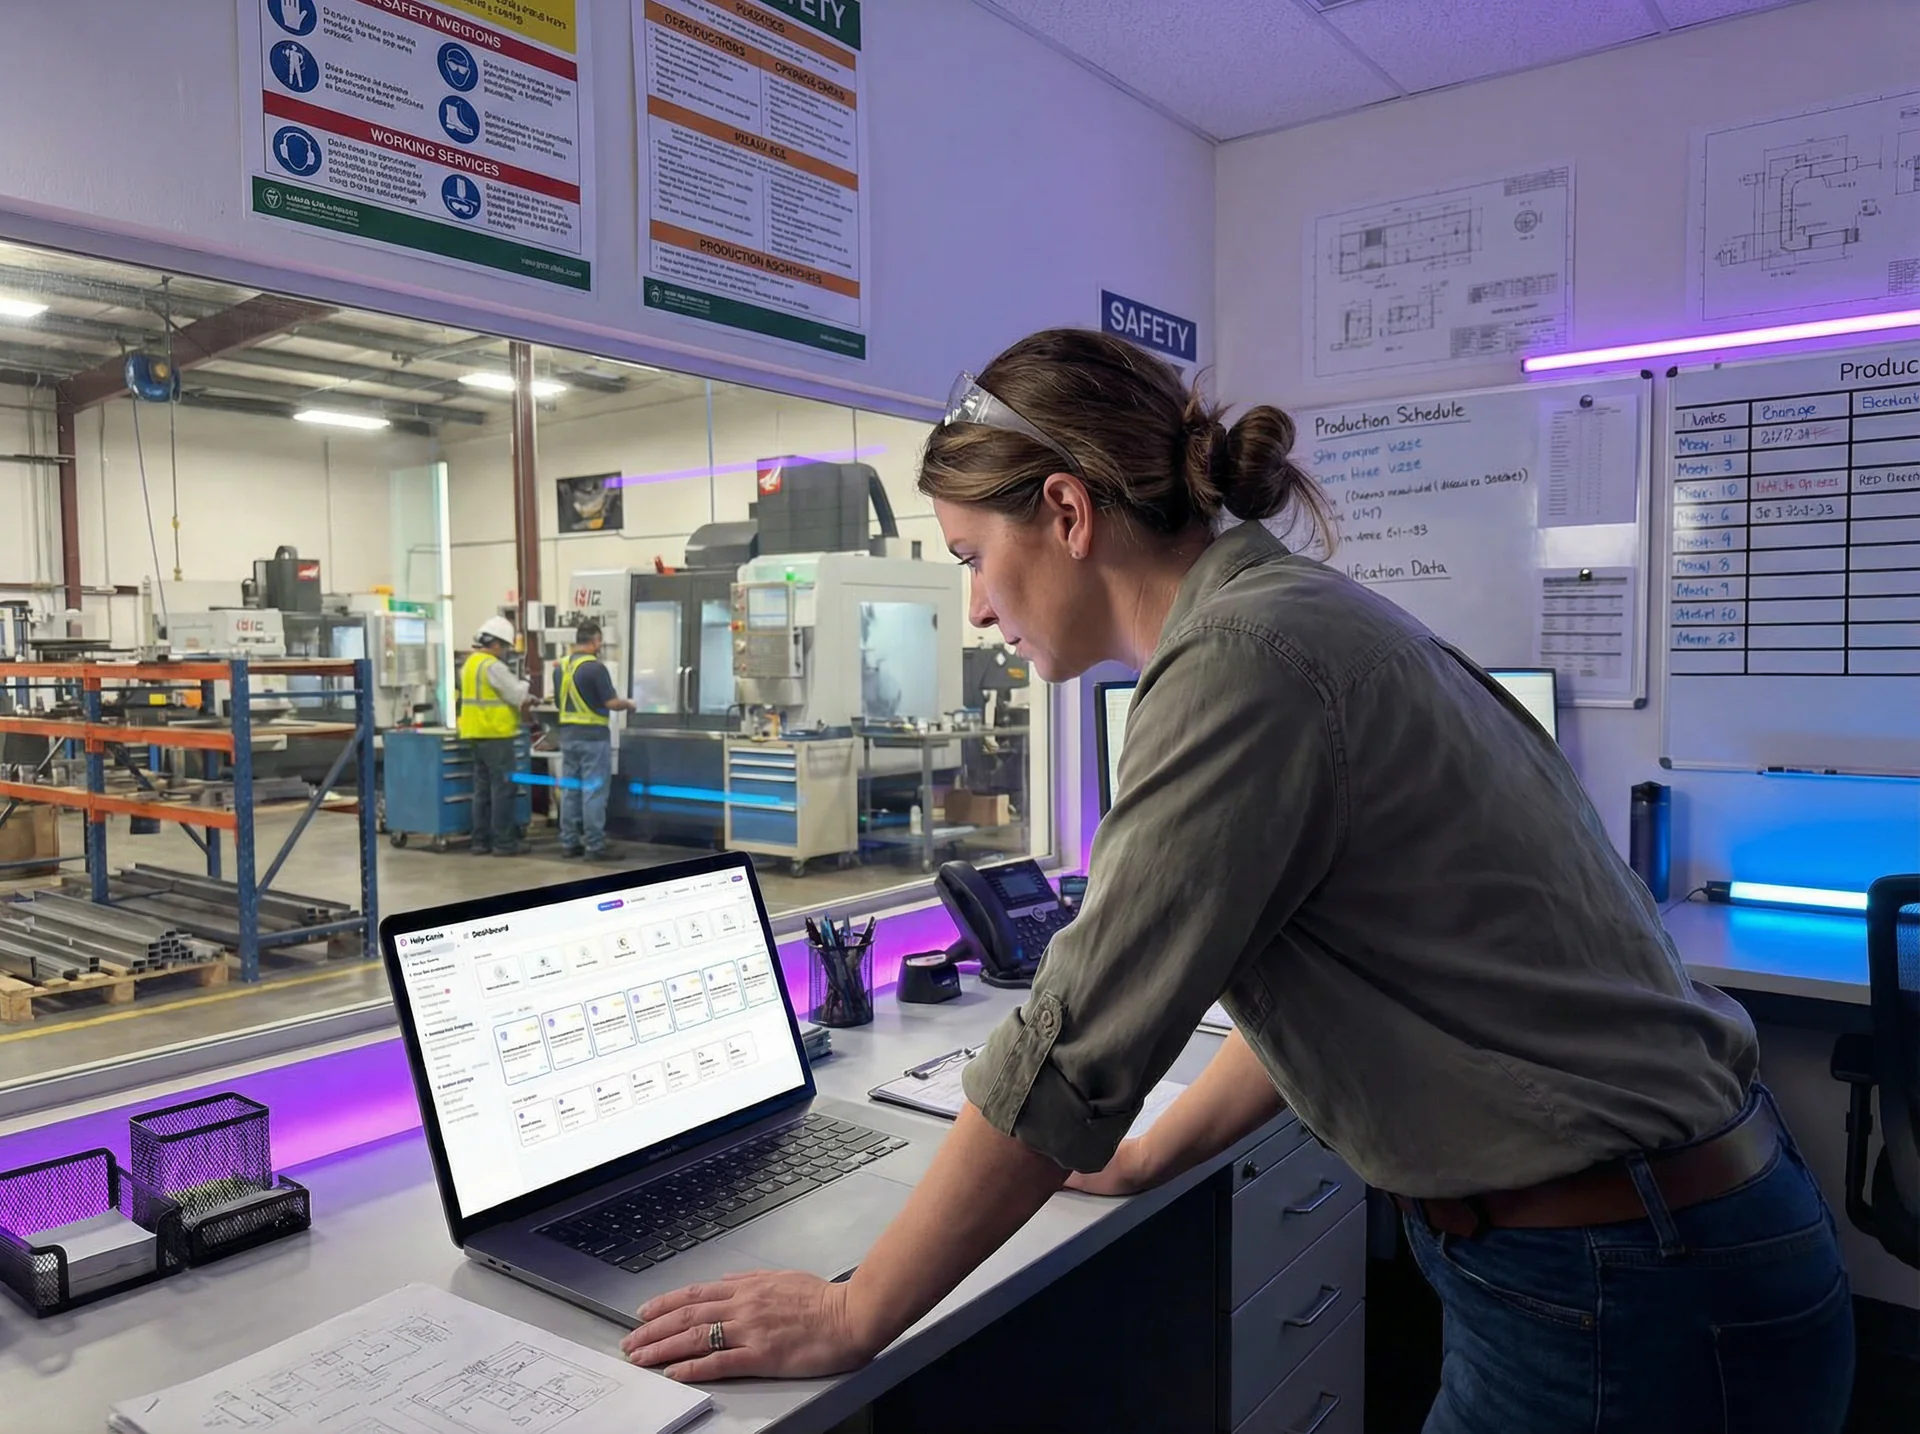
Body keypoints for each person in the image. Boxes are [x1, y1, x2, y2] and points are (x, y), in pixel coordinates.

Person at [623, 331, 1853, 1433]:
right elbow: (1341, 971)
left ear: (1064, 511)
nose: (975, 608)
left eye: (969, 556)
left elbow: (1069, 1050)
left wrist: (854, 1317)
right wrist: (1154, 1155)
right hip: (1646, 1249)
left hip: (1621, 1279)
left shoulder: (1239, 665)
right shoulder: (1291, 618)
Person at [553, 620, 635, 862]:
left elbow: (560, 704)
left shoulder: (561, 667)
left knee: (570, 791)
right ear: (596, 641)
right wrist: (629, 704)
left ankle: (569, 842)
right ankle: (594, 845)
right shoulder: (596, 668)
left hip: (567, 737)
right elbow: (611, 703)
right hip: (593, 738)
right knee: (593, 792)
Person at [457, 615, 533, 857]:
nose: (507, 652)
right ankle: (503, 843)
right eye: (506, 647)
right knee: (503, 789)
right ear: (497, 644)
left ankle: (480, 841)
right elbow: (515, 695)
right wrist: (526, 683)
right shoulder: (493, 666)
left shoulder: (470, 664)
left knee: (482, 790)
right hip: (496, 734)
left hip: (475, 733)